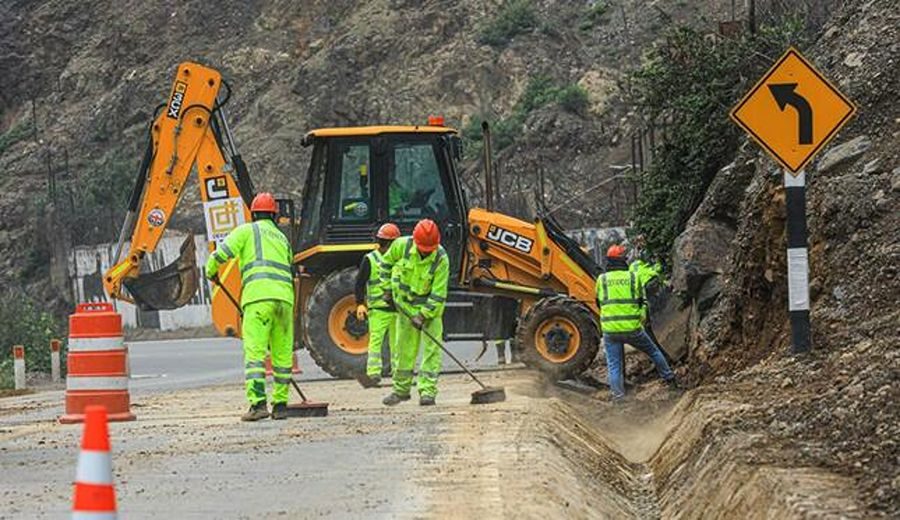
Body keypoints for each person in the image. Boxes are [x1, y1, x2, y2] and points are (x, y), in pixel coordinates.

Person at [205, 192, 295, 421]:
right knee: (282, 355)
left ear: (253, 213)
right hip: (284, 301)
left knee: (255, 355)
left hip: (258, 300)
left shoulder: (247, 231)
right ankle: (281, 406)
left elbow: (221, 254)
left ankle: (258, 405)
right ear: (274, 215)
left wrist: (210, 270)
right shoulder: (282, 238)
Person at [379, 219, 449, 406]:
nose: (426, 251)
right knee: (403, 350)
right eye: (423, 248)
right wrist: (386, 290)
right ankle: (400, 391)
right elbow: (384, 265)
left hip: (430, 312)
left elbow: (438, 293)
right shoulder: (401, 246)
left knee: (431, 352)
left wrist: (423, 315)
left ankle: (427, 392)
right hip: (406, 308)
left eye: (429, 249)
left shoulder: (441, 259)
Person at [597, 244, 677, 402]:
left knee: (614, 365)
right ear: (623, 260)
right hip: (632, 328)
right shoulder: (633, 277)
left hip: (610, 330)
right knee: (654, 352)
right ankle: (670, 380)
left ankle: (618, 397)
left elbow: (598, 302)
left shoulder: (602, 279)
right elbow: (642, 301)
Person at [354, 222, 402, 387]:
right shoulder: (370, 259)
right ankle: (373, 373)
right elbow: (360, 283)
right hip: (378, 309)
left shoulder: (399, 260)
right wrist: (360, 303)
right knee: (376, 342)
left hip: (397, 310)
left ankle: (399, 375)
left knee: (397, 343)